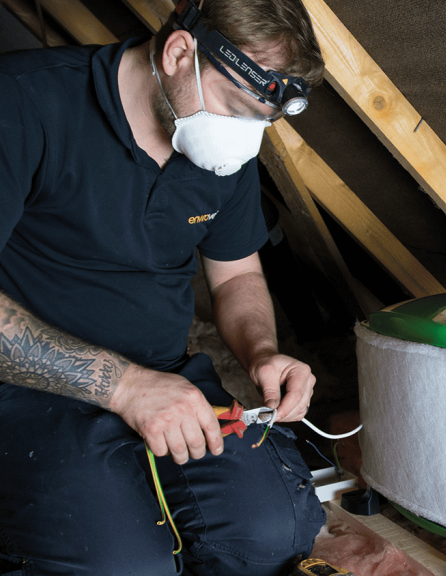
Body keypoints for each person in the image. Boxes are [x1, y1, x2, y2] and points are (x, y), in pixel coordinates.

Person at [0, 0, 328, 574]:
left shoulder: (217, 147)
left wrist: (262, 352)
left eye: (261, 122)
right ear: (179, 53)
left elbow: (238, 273)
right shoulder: (22, 101)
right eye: (237, 111)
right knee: (126, 564)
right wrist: (126, 387)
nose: (242, 140)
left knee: (272, 533)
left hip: (171, 380)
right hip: (27, 390)